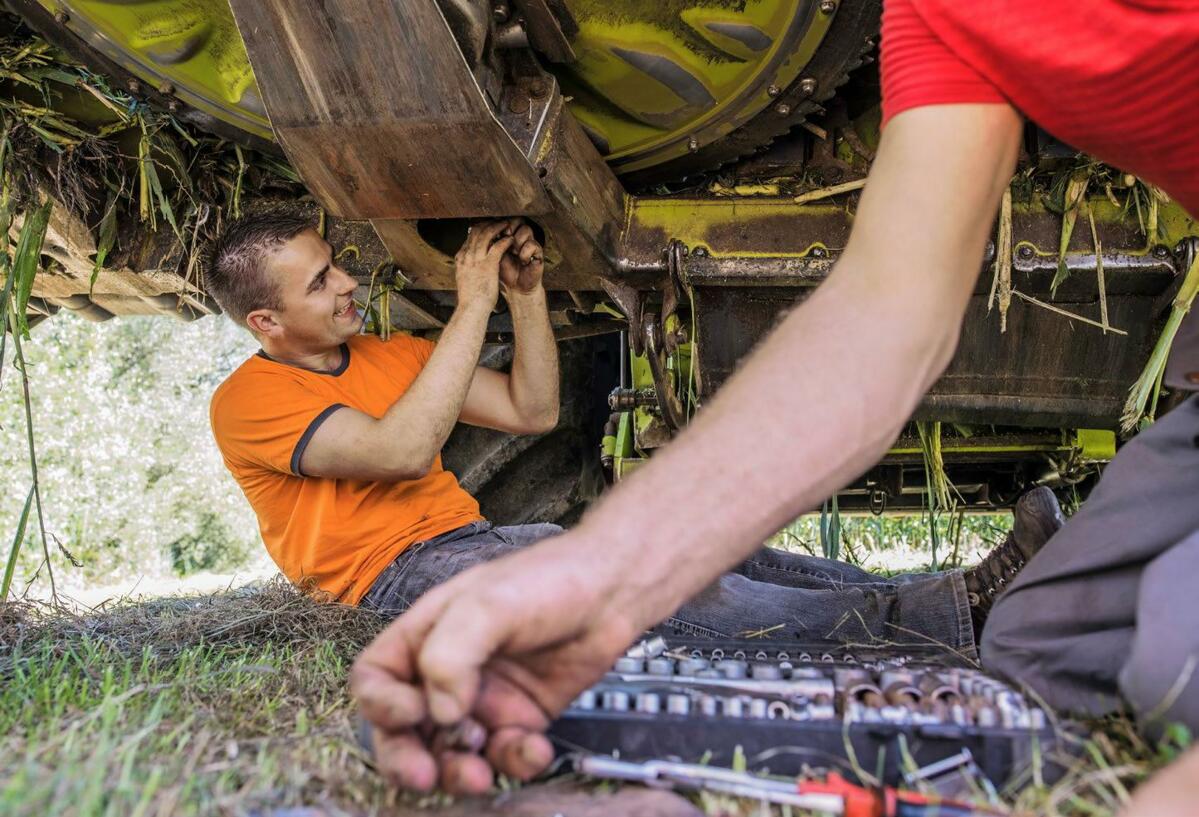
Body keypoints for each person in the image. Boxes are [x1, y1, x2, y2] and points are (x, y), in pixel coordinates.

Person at [351, 0, 1199, 805]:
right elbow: (884, 314)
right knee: (1044, 650)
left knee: (1172, 657)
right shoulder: (941, 17)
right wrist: (596, 577)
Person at [206, 213, 564, 608]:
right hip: (382, 579)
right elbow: (401, 455)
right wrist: (474, 304)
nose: (348, 283)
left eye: (335, 263)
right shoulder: (246, 401)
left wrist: (526, 297)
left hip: (470, 541)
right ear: (266, 321)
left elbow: (532, 411)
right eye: (320, 282)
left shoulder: (395, 352)